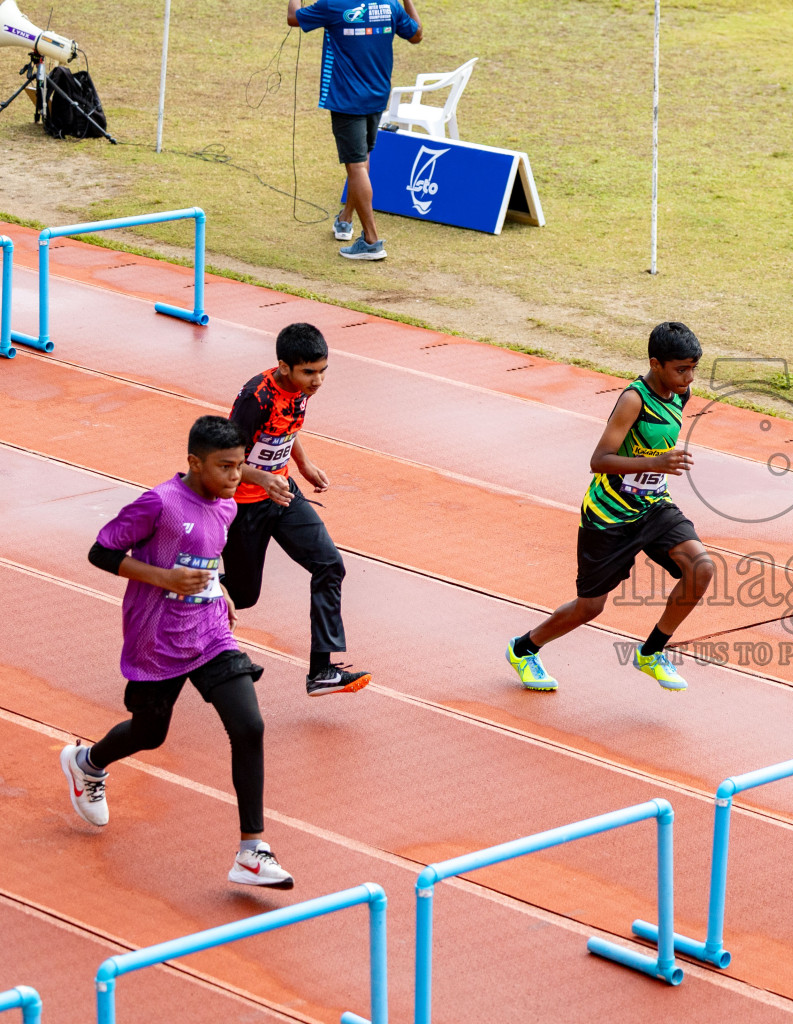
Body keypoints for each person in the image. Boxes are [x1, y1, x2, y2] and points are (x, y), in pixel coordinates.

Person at [61, 416, 293, 889]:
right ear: (194, 462)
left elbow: (208, 552)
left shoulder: (225, 506)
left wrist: (218, 588)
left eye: (240, 467)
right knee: (150, 734)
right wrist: (163, 578)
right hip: (156, 638)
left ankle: (252, 851)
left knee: (249, 725)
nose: (235, 478)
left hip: (208, 632)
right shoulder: (159, 503)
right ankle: (87, 763)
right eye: (226, 467)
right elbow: (100, 552)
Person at [506, 322, 716, 693]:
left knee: (701, 568)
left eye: (693, 368)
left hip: (652, 506)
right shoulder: (634, 399)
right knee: (590, 608)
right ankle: (524, 650)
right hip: (608, 515)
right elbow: (599, 459)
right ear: (655, 363)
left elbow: (656, 449)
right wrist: (655, 463)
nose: (689, 377)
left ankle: (651, 653)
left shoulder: (680, 394)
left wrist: (657, 467)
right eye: (681, 369)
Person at [223, 323, 371, 696]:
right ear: (284, 366)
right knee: (243, 596)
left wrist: (302, 464)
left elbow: (286, 429)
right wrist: (261, 479)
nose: (318, 380)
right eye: (309, 372)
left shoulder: (300, 390)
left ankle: (322, 671)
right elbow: (223, 460)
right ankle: (188, 590)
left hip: (283, 495)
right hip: (243, 507)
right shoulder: (255, 398)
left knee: (329, 565)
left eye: (323, 370)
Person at [288, 0, 423, 261]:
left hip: (346, 100)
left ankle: (371, 241)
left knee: (357, 166)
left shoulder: (333, 5)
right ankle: (345, 219)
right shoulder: (390, 6)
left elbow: (294, 18)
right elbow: (416, 35)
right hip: (377, 96)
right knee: (362, 161)